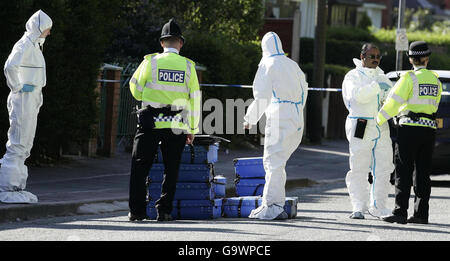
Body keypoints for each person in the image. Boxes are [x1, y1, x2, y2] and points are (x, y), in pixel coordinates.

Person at [127, 18, 201, 222]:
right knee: (171, 169)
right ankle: (164, 211)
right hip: (176, 123)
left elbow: (134, 88)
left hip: (150, 121)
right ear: (181, 43)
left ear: (162, 42)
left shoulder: (149, 62)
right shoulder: (188, 66)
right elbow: (194, 99)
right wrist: (192, 129)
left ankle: (137, 212)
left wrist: (148, 96)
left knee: (140, 167)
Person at [243, 32, 308, 220]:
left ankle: (271, 205)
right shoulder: (292, 64)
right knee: (279, 163)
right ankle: (276, 203)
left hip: (279, 114)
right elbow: (305, 89)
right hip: (296, 115)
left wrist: (250, 118)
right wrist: (296, 111)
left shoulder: (267, 64)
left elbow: (261, 96)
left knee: (272, 162)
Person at [378, 41, 442, 224]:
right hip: (428, 130)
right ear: (427, 59)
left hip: (409, 128)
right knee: (422, 173)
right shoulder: (436, 80)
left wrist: (378, 119)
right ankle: (421, 214)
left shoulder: (408, 78)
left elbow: (393, 103)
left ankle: (400, 212)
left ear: (411, 59)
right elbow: (434, 105)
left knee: (403, 171)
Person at [0, 10, 52, 203]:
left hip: (32, 96)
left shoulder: (34, 46)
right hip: (23, 97)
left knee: (26, 142)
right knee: (19, 140)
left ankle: (15, 185)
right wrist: (19, 87)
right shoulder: (24, 44)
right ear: (38, 27)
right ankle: (7, 185)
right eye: (47, 29)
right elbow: (9, 66)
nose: (48, 33)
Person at [341, 43, 394, 219]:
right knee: (359, 167)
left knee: (384, 167)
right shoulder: (353, 76)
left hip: (380, 126)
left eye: (378, 56)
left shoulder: (382, 76)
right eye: (372, 56)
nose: (376, 59)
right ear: (362, 56)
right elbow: (357, 96)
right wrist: (376, 87)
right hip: (361, 124)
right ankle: (358, 206)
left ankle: (378, 206)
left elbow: (390, 100)